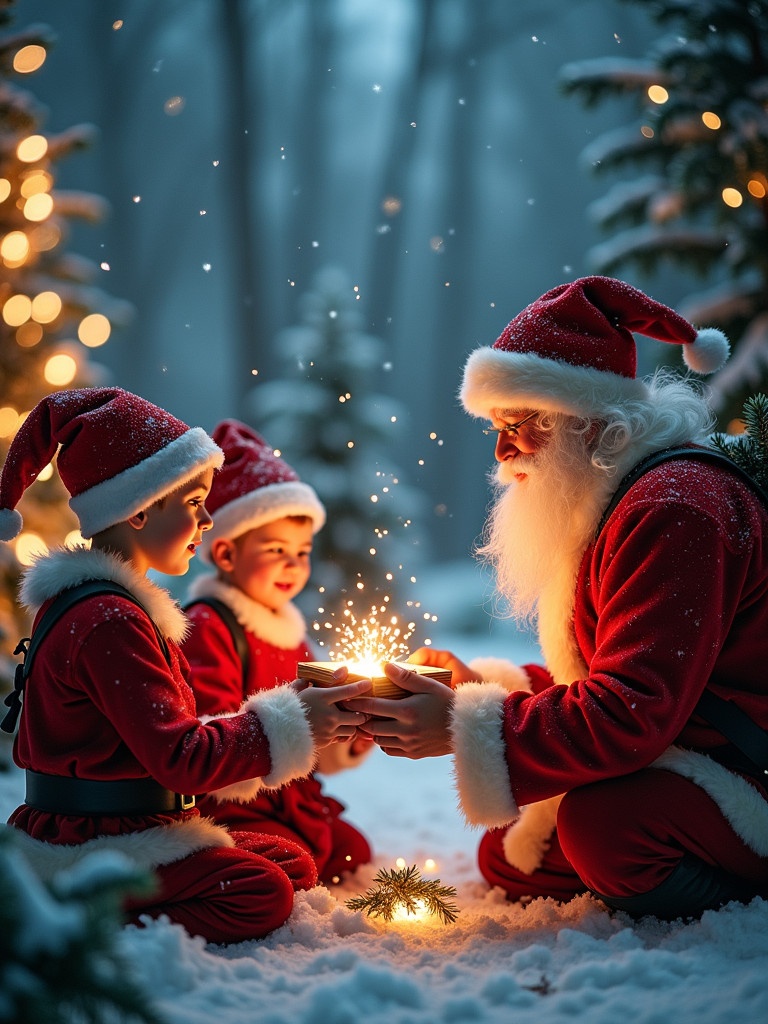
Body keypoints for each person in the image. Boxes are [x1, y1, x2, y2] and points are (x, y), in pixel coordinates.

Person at [354, 275, 768, 921]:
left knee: (605, 828)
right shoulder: (620, 501)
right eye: (495, 426)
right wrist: (473, 694)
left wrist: (462, 729)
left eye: (517, 423)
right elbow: (615, 676)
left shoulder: (675, 510)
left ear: (590, 418)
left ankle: (740, 911)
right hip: (690, 747)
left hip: (746, 769)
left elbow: (633, 709)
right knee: (512, 854)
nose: (500, 451)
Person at [0, 387, 370, 944]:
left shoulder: (115, 607)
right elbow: (180, 759)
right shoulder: (109, 622)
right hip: (90, 840)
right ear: (141, 507)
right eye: (194, 503)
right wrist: (297, 720)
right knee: (260, 891)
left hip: (138, 822)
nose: (205, 522)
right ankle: (84, 921)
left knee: (288, 862)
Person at [182, 419, 372, 884]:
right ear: (226, 555)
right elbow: (209, 730)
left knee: (352, 852)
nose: (293, 565)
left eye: (303, 552)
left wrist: (349, 728)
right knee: (295, 861)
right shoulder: (211, 624)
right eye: (276, 550)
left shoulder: (288, 629)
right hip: (234, 796)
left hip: (291, 792)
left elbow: (310, 714)